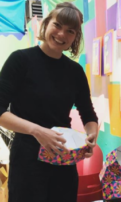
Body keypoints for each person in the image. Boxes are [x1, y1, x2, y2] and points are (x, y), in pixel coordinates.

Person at [0, 2, 98, 202]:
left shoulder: (75, 72)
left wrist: (91, 136)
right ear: (47, 24)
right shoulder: (20, 61)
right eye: (58, 25)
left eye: (70, 31)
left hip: (64, 157)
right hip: (27, 157)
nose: (62, 34)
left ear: (75, 37)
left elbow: (88, 115)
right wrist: (38, 131)